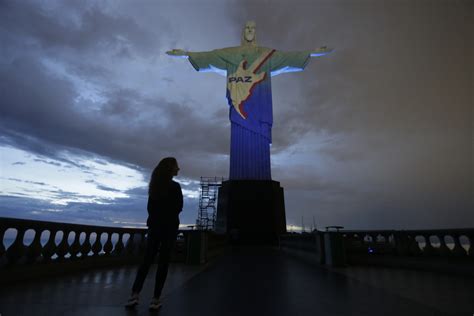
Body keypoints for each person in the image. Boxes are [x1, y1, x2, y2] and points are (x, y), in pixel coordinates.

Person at [167, 21, 332, 180]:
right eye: (247, 28)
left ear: (256, 32)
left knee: (259, 150)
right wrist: (187, 54)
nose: (250, 30)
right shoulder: (230, 54)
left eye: (253, 28)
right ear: (243, 31)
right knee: (240, 146)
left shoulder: (266, 54)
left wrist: (310, 53)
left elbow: (287, 58)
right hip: (240, 111)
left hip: (259, 109)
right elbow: (211, 56)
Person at [125, 157, 183, 310]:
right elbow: (178, 208)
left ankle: (134, 294)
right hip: (169, 229)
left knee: (146, 261)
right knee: (163, 263)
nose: (178, 169)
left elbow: (150, 209)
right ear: (171, 168)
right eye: (176, 166)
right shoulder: (175, 187)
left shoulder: (155, 187)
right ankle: (155, 299)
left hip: (155, 228)